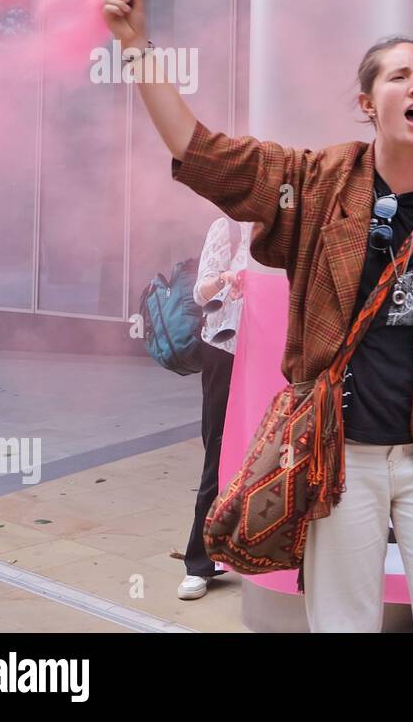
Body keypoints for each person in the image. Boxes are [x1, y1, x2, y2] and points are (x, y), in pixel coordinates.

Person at [103, 0, 413, 633]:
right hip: (339, 452)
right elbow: (204, 155)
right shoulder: (320, 182)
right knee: (345, 623)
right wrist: (135, 46)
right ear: (366, 101)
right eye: (400, 77)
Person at [177, 216, 250, 601]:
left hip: (272, 352)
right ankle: (200, 563)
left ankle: (262, 555)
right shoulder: (228, 228)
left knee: (275, 455)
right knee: (218, 455)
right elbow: (200, 293)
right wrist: (225, 279)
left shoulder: (289, 223)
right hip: (224, 350)